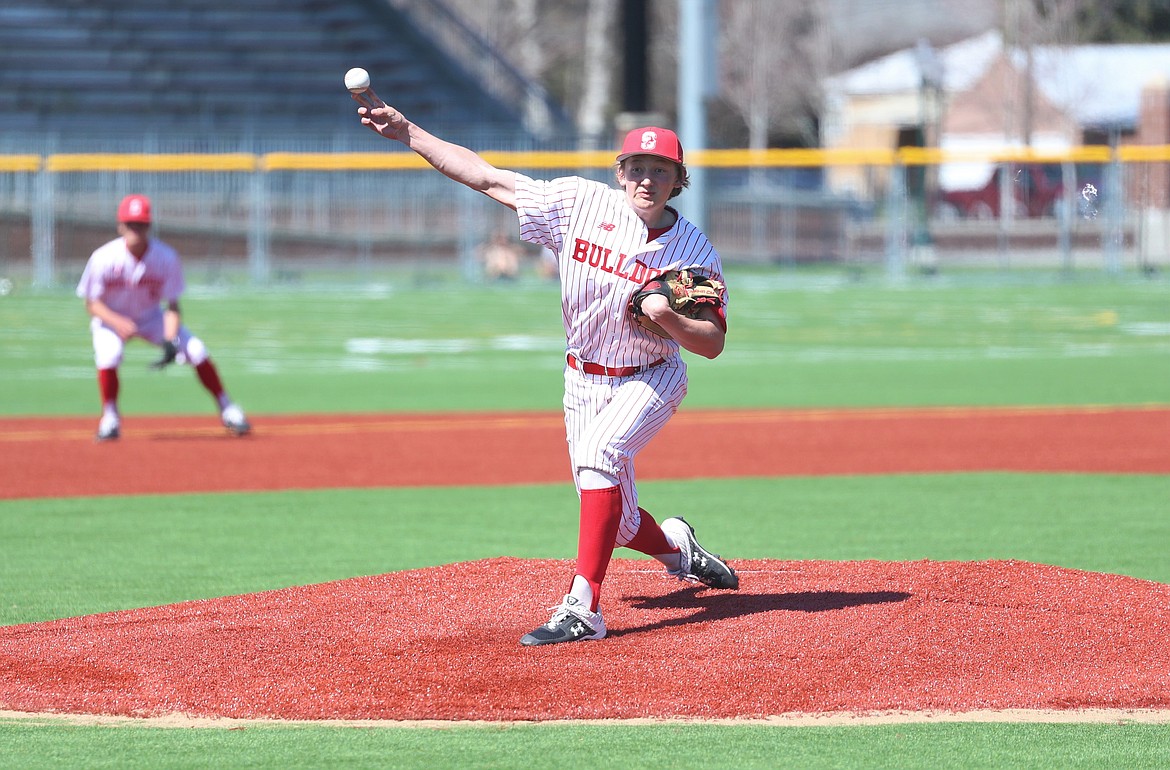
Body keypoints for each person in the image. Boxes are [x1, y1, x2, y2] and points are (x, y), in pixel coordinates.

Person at [353, 93, 738, 647]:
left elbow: (712, 343)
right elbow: (487, 179)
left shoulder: (694, 249)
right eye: (636, 168)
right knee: (619, 519)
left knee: (603, 456)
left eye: (661, 171)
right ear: (619, 172)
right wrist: (409, 131)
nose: (646, 180)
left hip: (651, 375)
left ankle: (583, 606)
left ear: (678, 180)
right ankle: (679, 547)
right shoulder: (578, 203)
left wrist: (668, 319)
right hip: (581, 379)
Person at [76, 194, 251, 441]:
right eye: (131, 223)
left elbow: (172, 305)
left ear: (149, 225)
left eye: (141, 224)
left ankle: (228, 408)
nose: (136, 229)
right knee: (109, 355)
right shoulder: (103, 257)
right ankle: (110, 417)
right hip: (111, 319)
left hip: (151, 318)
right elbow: (91, 303)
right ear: (120, 226)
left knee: (197, 350)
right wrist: (117, 321)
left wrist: (170, 340)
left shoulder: (165, 257)